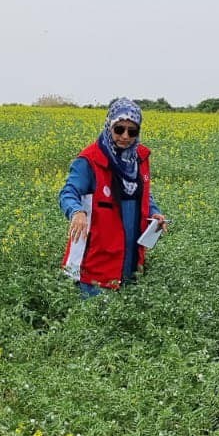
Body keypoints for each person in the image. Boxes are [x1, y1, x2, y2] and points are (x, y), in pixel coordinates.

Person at [59, 98, 168, 295]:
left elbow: (143, 195)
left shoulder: (140, 158)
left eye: (132, 131)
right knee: (95, 316)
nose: (125, 136)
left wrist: (155, 213)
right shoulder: (90, 160)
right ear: (109, 126)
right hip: (98, 255)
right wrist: (77, 212)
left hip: (130, 253)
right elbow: (68, 192)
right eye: (119, 129)